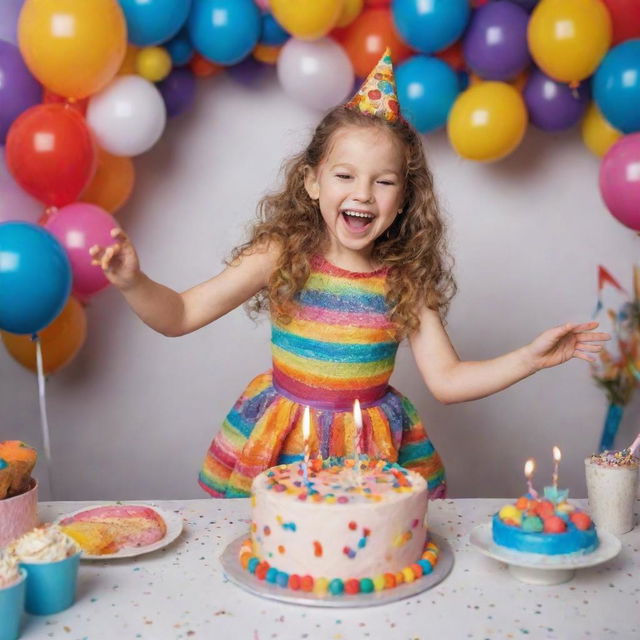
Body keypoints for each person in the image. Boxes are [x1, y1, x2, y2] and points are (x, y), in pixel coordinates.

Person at [89, 50, 609, 499]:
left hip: (369, 457)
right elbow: (179, 315)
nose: (362, 193)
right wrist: (134, 282)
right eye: (345, 176)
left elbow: (447, 381)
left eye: (383, 182)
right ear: (313, 181)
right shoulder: (282, 253)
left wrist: (530, 358)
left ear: (404, 200)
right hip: (284, 447)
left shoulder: (404, 279)